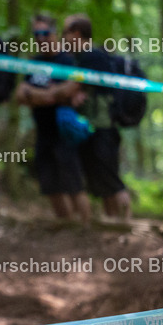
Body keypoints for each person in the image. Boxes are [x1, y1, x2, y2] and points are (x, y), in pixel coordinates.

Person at [15, 15, 91, 224]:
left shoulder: (68, 60)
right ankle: (66, 225)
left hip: (65, 132)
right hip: (42, 131)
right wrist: (48, 95)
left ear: (54, 33)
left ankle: (85, 226)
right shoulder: (33, 62)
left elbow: (71, 89)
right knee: (49, 184)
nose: (40, 38)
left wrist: (38, 94)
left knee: (74, 184)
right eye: (36, 34)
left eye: (44, 33)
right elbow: (20, 95)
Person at [58, 14, 131, 220]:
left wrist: (64, 92)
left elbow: (72, 88)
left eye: (65, 32)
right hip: (94, 126)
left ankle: (127, 224)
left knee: (111, 179)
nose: (63, 38)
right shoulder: (83, 58)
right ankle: (112, 221)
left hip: (104, 127)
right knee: (101, 179)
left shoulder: (92, 56)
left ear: (77, 33)